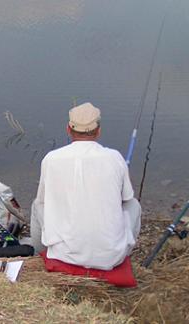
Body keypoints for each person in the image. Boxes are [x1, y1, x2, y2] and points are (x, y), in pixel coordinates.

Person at [30, 102, 141, 270]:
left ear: (68, 129)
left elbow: (43, 201)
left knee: (37, 205)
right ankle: (125, 250)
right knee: (134, 205)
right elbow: (126, 198)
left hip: (63, 254)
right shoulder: (115, 157)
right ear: (98, 131)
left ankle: (39, 252)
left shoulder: (51, 159)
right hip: (112, 257)